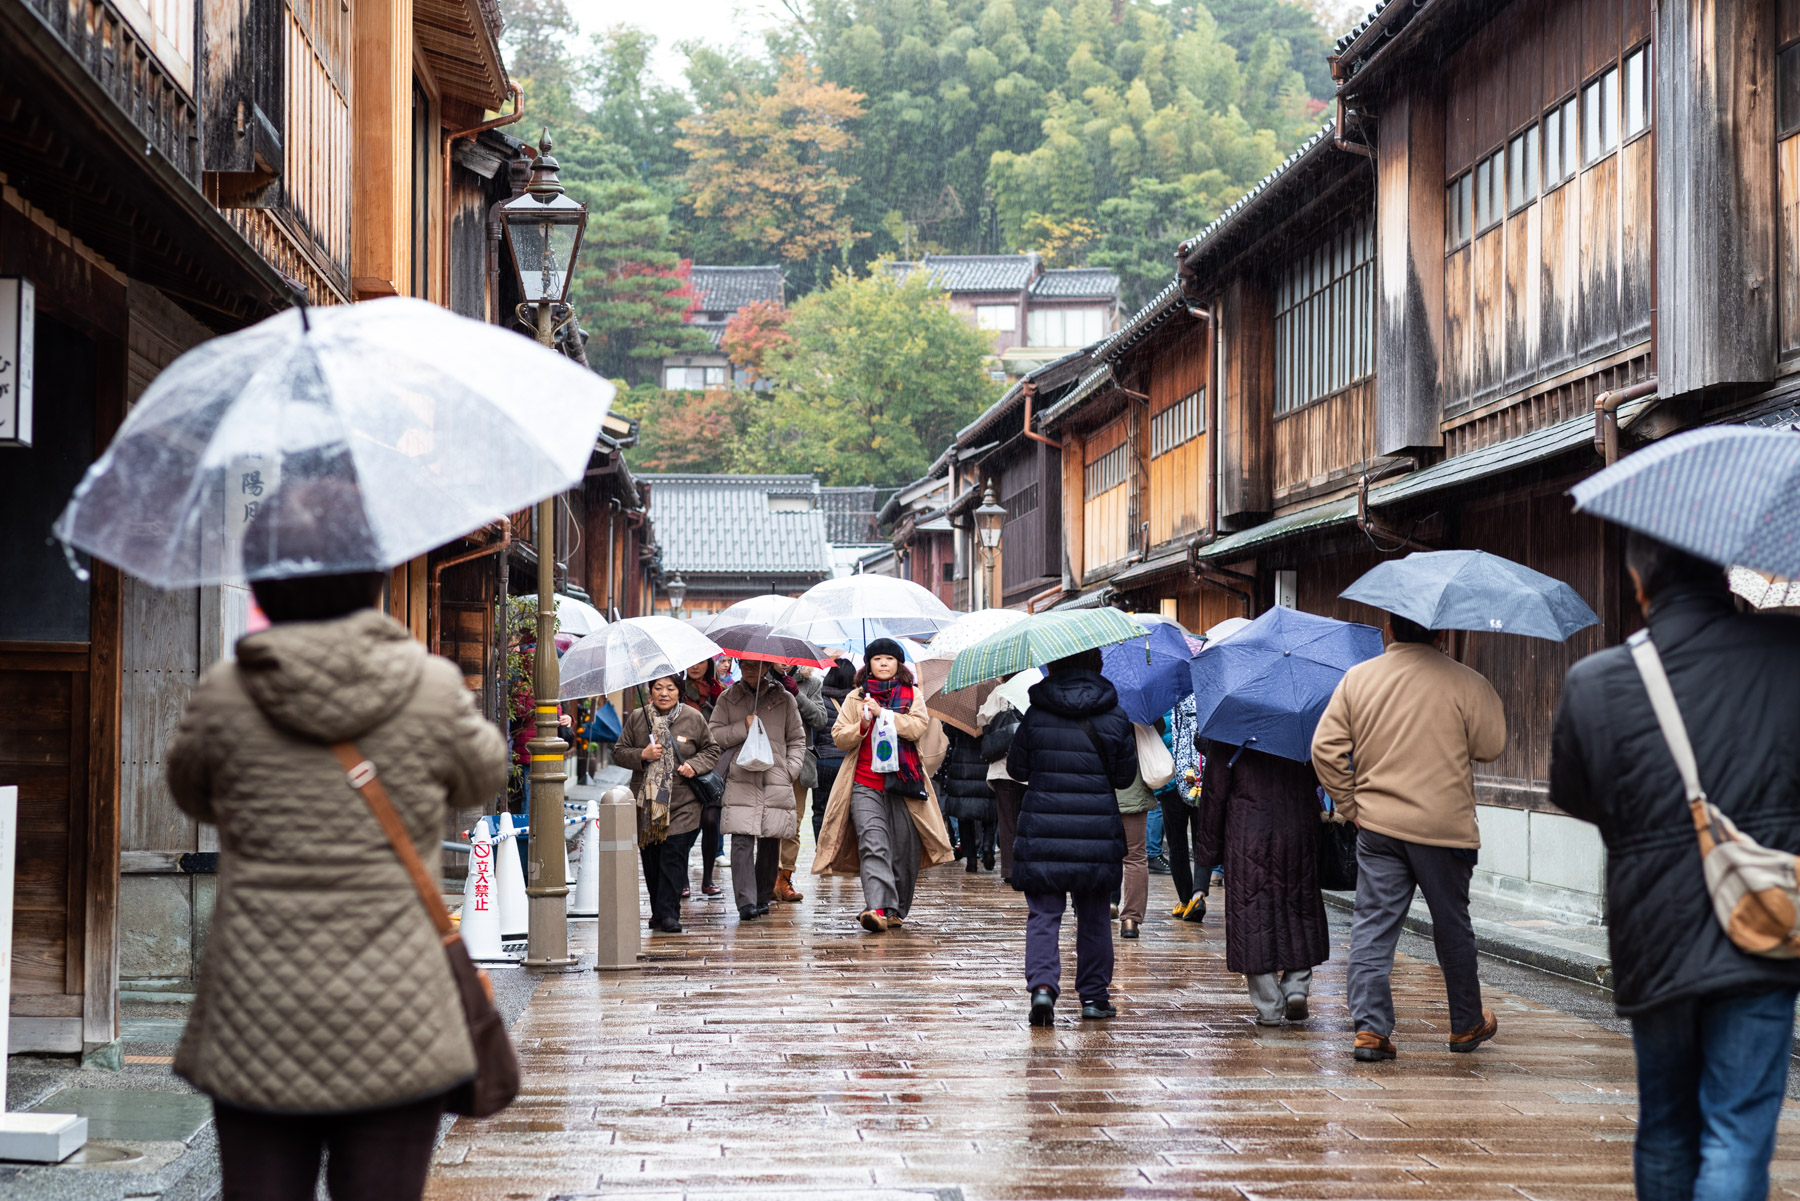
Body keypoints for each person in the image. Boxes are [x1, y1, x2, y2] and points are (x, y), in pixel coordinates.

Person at [165, 480, 508, 1201]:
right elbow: (481, 776)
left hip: (259, 1009)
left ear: (264, 576)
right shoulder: (431, 684)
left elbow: (191, 794)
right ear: (373, 574)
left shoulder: (228, 691)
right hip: (399, 1012)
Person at [1551, 532, 1800, 1201]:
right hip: (1766, 918)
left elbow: (1576, 795)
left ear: (1638, 581)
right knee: (1738, 1128)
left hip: (1652, 927)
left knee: (1665, 1124)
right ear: (1724, 573)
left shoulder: (1595, 680)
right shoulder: (1789, 656)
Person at [1312, 611, 1506, 1062]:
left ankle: (1370, 1030)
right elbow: (1490, 746)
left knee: (1373, 927)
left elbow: (1325, 748)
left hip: (1378, 825)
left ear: (1389, 630)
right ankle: (1465, 1023)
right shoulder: (1466, 681)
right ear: (1440, 633)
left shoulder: (1359, 679)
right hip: (1444, 828)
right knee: (1452, 925)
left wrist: (1350, 805)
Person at [1005, 648, 1136, 1025]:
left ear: (1055, 666)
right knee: (1094, 916)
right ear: (1097, 667)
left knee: (1044, 914)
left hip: (1044, 829)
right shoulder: (1114, 714)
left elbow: (1016, 768)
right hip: (1096, 831)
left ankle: (1043, 989)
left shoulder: (1037, 713)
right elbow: (1125, 778)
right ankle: (1094, 999)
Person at [813, 638, 954, 931]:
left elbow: (917, 727)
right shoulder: (856, 697)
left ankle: (895, 909)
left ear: (898, 664)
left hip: (904, 782)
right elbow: (839, 737)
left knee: (905, 850)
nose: (884, 663)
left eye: (890, 658)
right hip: (865, 782)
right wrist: (862, 725)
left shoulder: (912, 694)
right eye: (877, 659)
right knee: (872, 843)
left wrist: (884, 715)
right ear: (869, 664)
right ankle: (876, 908)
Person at [1195, 739, 1330, 1024]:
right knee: (1299, 905)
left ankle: (1269, 1005)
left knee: (1252, 913)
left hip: (1248, 831)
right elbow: (1324, 772)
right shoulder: (1302, 724)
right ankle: (1296, 987)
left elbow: (1215, 792)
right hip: (1297, 825)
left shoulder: (1231, 729)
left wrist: (1208, 852)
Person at [613, 675, 721, 933]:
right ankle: (658, 913)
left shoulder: (693, 718)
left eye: (670, 688)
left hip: (683, 802)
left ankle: (670, 914)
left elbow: (712, 750)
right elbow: (618, 751)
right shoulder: (638, 717)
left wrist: (694, 765)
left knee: (673, 856)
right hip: (647, 804)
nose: (664, 693)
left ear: (679, 692)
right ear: (650, 691)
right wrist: (642, 754)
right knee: (651, 860)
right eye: (658, 687)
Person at [708, 658, 806, 921]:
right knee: (741, 839)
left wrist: (790, 769)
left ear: (766, 666)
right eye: (746, 664)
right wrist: (743, 727)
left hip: (775, 777)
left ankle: (763, 895)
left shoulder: (784, 699)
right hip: (740, 778)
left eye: (757, 664)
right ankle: (746, 902)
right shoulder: (728, 699)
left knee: (770, 839)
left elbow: (797, 739)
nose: (751, 668)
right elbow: (713, 735)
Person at [775, 664, 832, 902]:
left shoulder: (812, 683)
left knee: (792, 823)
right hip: (767, 761)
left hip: (800, 762)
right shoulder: (759, 681)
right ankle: (767, 876)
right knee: (767, 823)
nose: (784, 662)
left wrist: (797, 695)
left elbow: (820, 720)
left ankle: (783, 878)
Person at [680, 658, 725, 896]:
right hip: (684, 764)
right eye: (691, 662)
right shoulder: (678, 690)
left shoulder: (720, 692)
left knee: (710, 820)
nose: (694, 666)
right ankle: (683, 878)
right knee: (687, 823)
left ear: (709, 663)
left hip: (712, 763)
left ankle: (708, 879)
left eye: (700, 662)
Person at [1160, 701, 1207, 922]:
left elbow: (1159, 739)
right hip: (1202, 782)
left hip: (1172, 783)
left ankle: (1186, 899)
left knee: (1177, 844)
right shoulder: (1207, 699)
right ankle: (1198, 894)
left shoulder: (1164, 702)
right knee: (1201, 842)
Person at [978, 686, 1025, 884]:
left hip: (1002, 768)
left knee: (1007, 822)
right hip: (1030, 767)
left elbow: (982, 718)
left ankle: (1010, 869)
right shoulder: (1037, 685)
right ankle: (1027, 867)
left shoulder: (1000, 691)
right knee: (1029, 821)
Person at [938, 725, 997, 873]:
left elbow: (949, 733)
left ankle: (971, 859)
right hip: (985, 764)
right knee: (990, 811)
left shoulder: (960, 714)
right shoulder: (991, 711)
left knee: (964, 816)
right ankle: (987, 847)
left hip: (962, 767)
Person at [1114, 755, 1158, 938]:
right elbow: (1158, 730)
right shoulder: (1138, 725)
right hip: (1133, 788)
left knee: (1096, 853)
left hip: (1097, 791)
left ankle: (1100, 908)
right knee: (1135, 858)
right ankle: (1131, 919)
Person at [812, 656, 856, 841]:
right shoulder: (857, 700)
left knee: (821, 808)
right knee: (849, 808)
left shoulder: (819, 698)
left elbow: (815, 732)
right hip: (849, 761)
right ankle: (843, 853)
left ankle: (822, 851)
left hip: (824, 761)